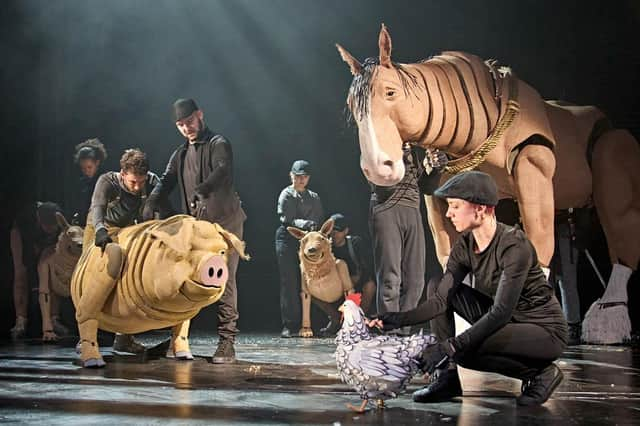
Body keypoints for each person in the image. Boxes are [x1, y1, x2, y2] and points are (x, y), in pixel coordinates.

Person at [369, 171, 568, 406]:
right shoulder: (464, 245)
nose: (448, 213)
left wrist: (450, 346)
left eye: (455, 205)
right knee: (435, 286)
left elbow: (501, 312)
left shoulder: (514, 245)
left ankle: (539, 374)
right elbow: (440, 301)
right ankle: (448, 379)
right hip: (506, 320)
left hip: (543, 329)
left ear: (481, 209)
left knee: (464, 350)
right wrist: (397, 319)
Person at [144, 98, 246, 363]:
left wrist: (204, 189)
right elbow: (166, 180)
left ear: (200, 115)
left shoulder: (218, 143)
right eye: (180, 125)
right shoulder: (179, 154)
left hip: (225, 225)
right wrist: (152, 200)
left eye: (189, 122)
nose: (186, 128)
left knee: (224, 280)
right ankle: (178, 338)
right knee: (185, 280)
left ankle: (227, 342)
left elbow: (222, 170)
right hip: (198, 229)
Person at [86, 148, 163, 353]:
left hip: (129, 229)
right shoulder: (107, 181)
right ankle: (87, 335)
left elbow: (160, 209)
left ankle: (124, 338)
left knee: (128, 279)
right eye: (132, 182)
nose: (137, 187)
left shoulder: (152, 182)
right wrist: (101, 231)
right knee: (95, 279)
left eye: (141, 181)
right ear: (122, 174)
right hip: (101, 226)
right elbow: (97, 208)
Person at [368, 144, 429, 335]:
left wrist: (435, 170)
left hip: (413, 208)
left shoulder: (417, 149)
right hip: (387, 207)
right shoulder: (379, 141)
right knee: (390, 278)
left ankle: (403, 329)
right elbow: (381, 186)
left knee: (416, 280)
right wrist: (398, 156)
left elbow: (428, 187)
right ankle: (389, 332)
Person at [275, 160, 324, 338]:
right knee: (289, 281)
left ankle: (311, 322)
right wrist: (306, 224)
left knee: (311, 281)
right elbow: (287, 219)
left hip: (308, 242)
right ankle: (290, 324)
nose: (301, 180)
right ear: (291, 175)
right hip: (288, 239)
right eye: (297, 176)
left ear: (308, 178)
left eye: (304, 177)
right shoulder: (286, 194)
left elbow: (319, 217)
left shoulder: (314, 197)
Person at [9, 202, 65, 339]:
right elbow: (26, 256)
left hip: (49, 244)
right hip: (22, 235)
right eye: (49, 227)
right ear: (40, 221)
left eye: (54, 227)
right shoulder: (26, 221)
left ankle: (54, 318)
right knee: (21, 272)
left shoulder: (60, 221)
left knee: (51, 272)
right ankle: (20, 320)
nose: (52, 229)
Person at [329, 213, 376, 315]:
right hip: (335, 287)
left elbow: (367, 269)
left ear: (346, 231)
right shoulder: (325, 247)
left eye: (338, 231)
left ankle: (359, 319)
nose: (334, 234)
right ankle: (334, 318)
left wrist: (354, 281)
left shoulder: (355, 243)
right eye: (331, 230)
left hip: (355, 285)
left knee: (370, 286)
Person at [72, 138, 107, 226]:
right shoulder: (82, 183)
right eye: (83, 168)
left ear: (97, 162)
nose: (86, 171)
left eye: (89, 167)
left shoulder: (106, 180)